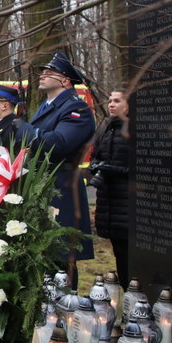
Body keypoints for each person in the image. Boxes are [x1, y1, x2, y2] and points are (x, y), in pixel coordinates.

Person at [29, 51, 97, 281]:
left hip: (61, 186)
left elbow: (59, 144)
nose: (43, 75)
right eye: (43, 71)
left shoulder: (76, 108)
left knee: (59, 256)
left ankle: (65, 306)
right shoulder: (46, 106)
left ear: (66, 80)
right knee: (41, 253)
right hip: (41, 184)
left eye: (50, 72)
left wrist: (25, 131)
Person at [91, 89, 131, 279]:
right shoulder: (106, 127)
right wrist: (96, 167)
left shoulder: (133, 130)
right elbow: (95, 157)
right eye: (109, 101)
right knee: (120, 255)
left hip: (127, 205)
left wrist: (111, 169)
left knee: (128, 257)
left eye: (117, 101)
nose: (111, 104)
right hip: (110, 203)